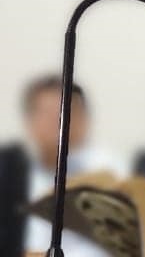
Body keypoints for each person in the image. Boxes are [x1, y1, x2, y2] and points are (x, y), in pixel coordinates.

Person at [17, 76, 125, 257]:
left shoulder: (108, 168)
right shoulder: (16, 180)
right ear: (29, 122)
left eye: (67, 112)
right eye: (48, 114)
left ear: (84, 119)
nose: (58, 122)